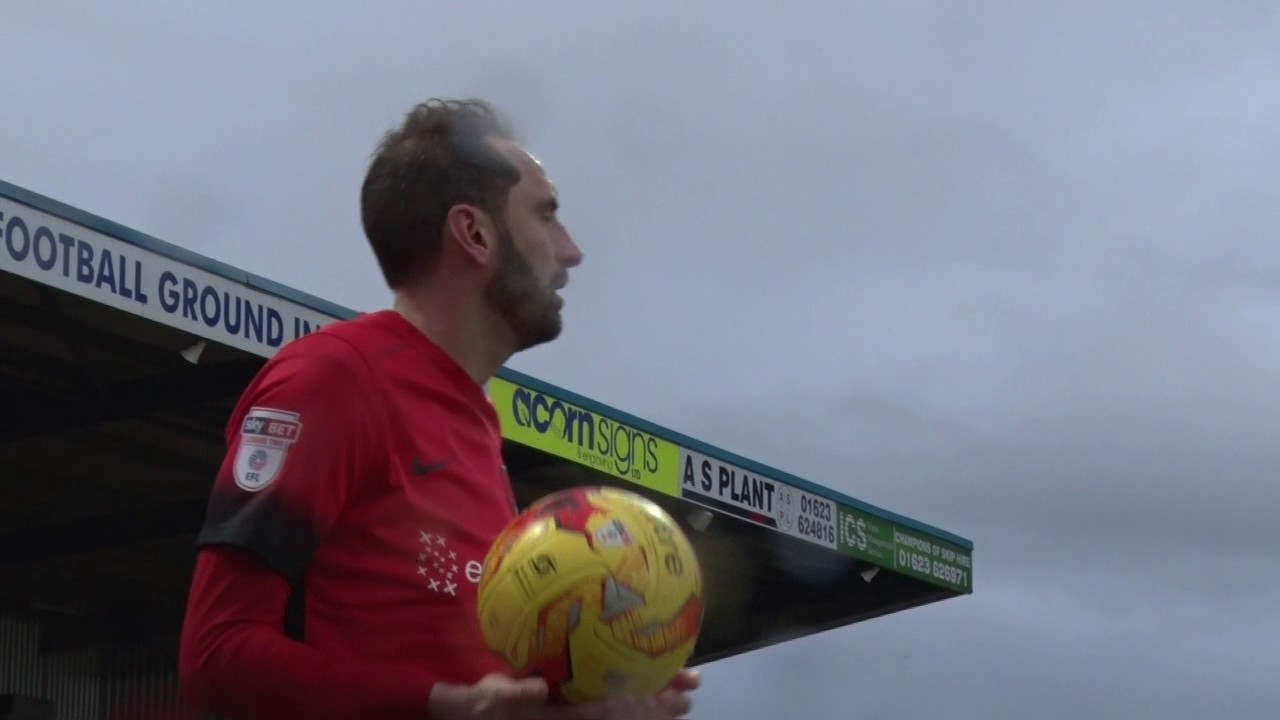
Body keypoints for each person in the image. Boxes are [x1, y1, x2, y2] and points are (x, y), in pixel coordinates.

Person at [178, 98, 700, 720]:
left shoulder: (475, 422)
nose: (571, 251)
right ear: (474, 234)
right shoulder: (333, 380)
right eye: (547, 216)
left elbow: (478, 701)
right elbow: (218, 657)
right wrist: (442, 706)